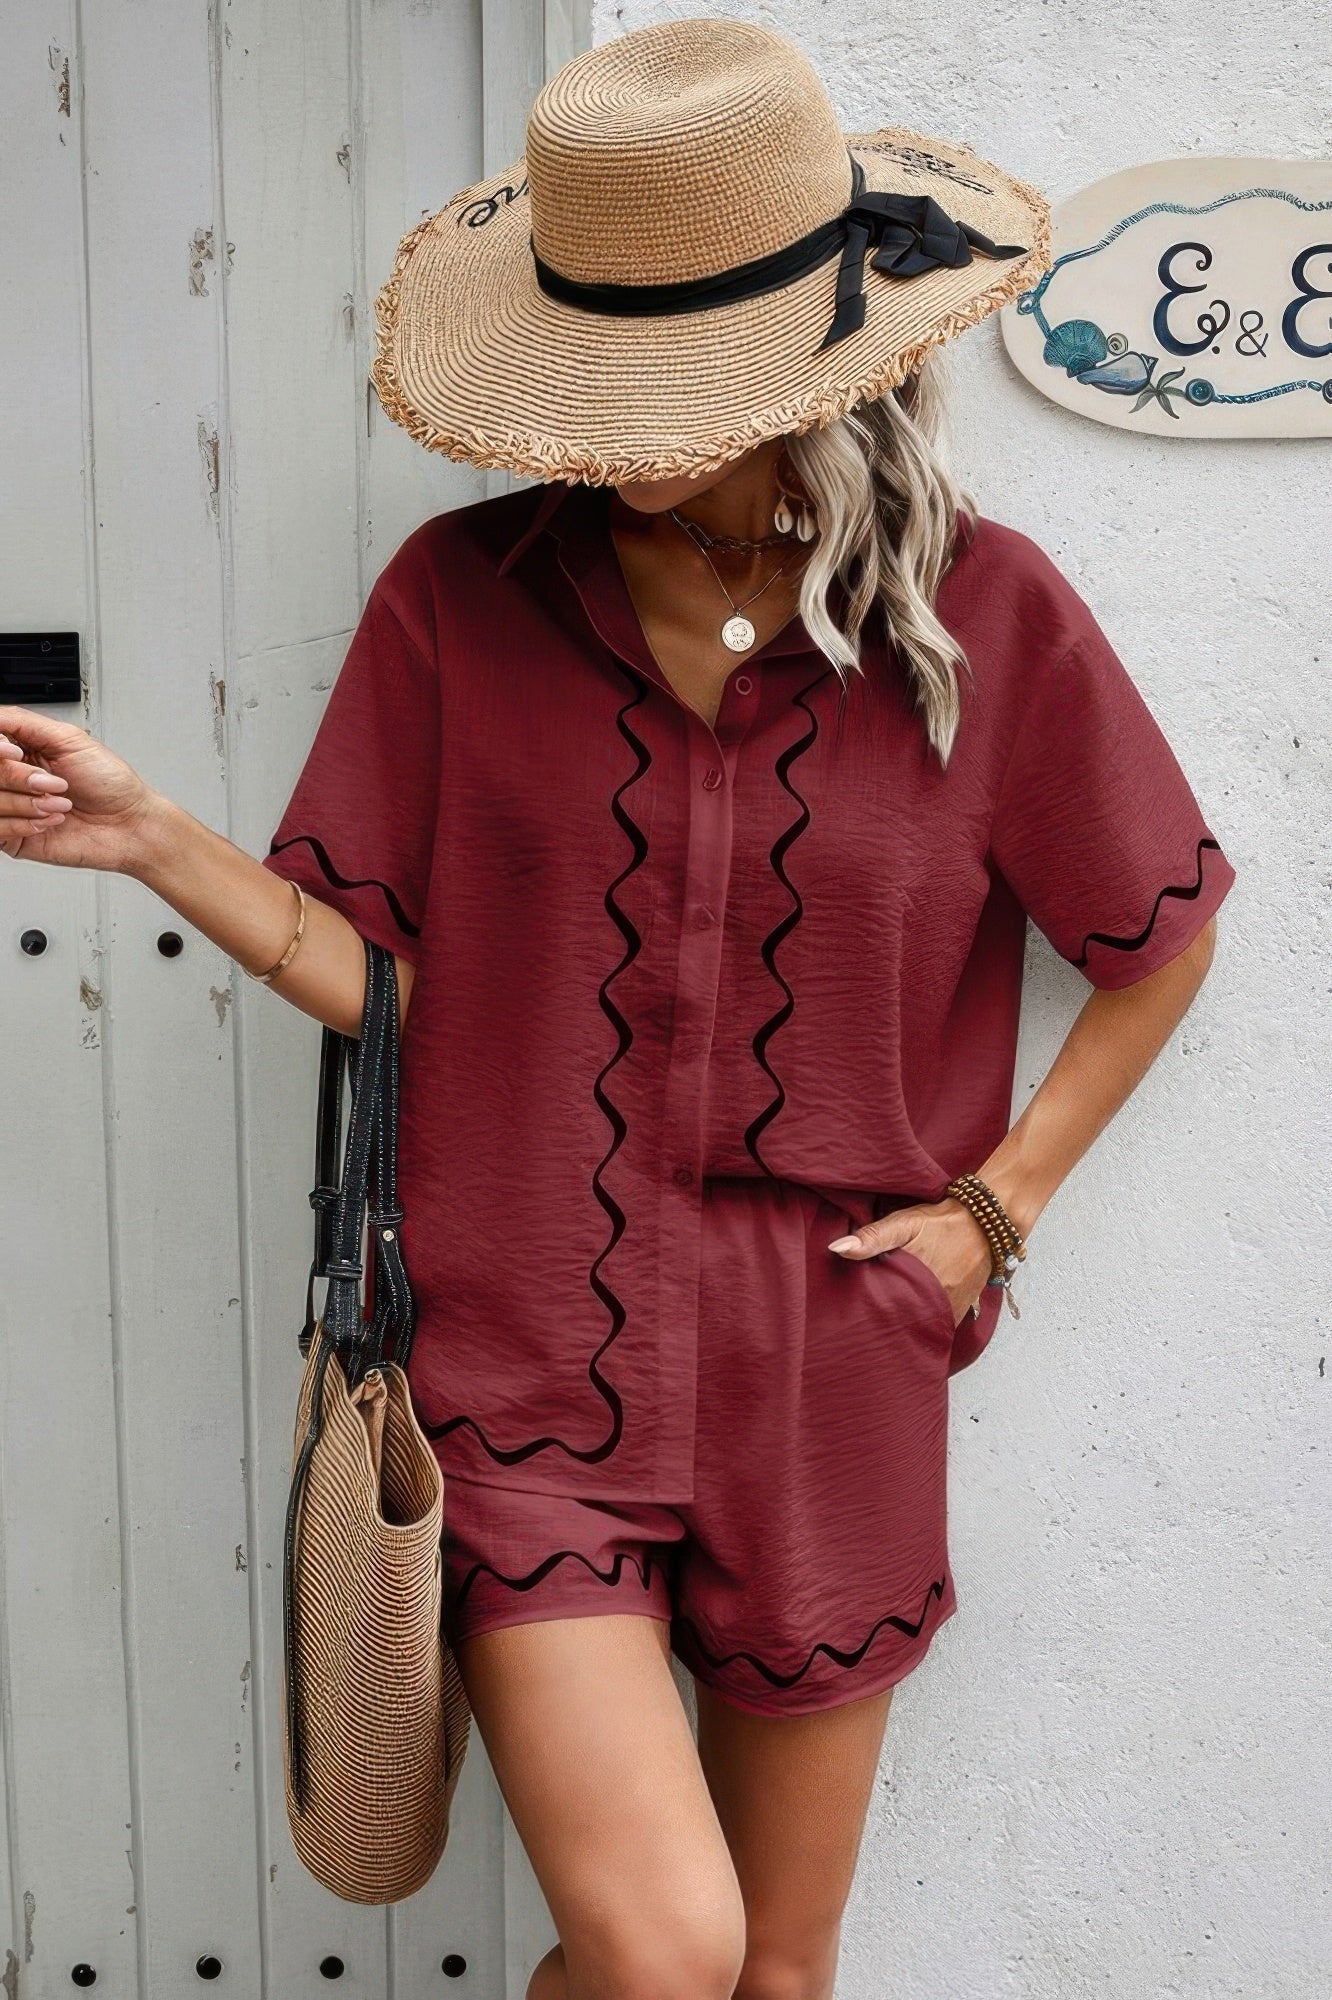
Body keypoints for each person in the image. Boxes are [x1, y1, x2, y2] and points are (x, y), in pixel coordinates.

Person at [0, 18, 1236, 2000]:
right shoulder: (459, 598)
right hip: (521, 1366)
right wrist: (150, 837)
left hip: (832, 1364)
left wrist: (992, 1212)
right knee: (663, 1954)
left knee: (779, 1978)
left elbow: (1156, 935)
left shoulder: (984, 619)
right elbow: (373, 975)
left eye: (683, 371)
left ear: (814, 354)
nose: (624, 425)